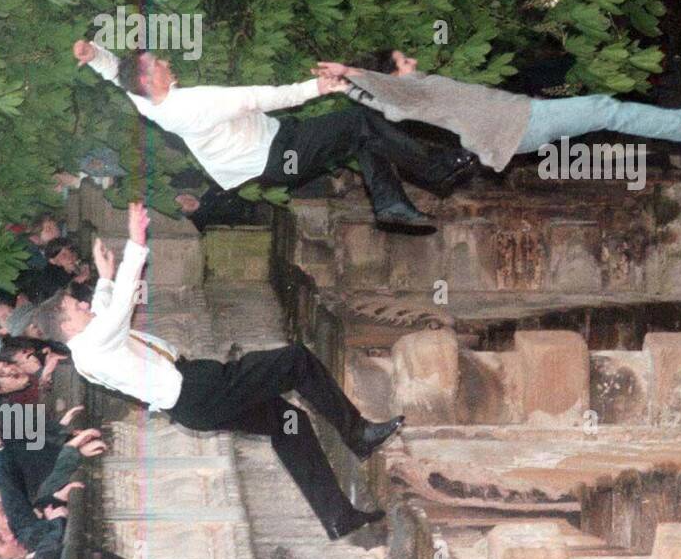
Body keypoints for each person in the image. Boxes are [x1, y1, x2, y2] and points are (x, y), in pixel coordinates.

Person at [33, 202, 404, 541]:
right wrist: (135, 242)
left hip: (194, 402)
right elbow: (117, 311)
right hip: (198, 390)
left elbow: (104, 311)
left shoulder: (85, 349)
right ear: (66, 326)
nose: (83, 306)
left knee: (288, 422)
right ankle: (359, 434)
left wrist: (106, 277)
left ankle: (338, 517)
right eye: (75, 307)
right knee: (296, 360)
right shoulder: (93, 344)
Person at [72, 39, 476, 230]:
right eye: (156, 63)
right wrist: (320, 87)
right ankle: (438, 169)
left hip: (274, 149)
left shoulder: (147, 100)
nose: (164, 62)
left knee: (361, 134)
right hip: (276, 152)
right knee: (360, 125)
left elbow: (116, 75)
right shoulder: (191, 104)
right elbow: (260, 98)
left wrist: (94, 55)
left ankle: (391, 204)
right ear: (149, 78)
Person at [314, 51, 681, 175]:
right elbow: (386, 92)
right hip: (519, 125)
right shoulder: (411, 94)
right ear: (392, 73)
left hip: (519, 123)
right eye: (403, 59)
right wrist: (350, 71)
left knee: (604, 112)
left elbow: (378, 101)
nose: (411, 58)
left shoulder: (407, 99)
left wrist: (346, 88)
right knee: (605, 109)